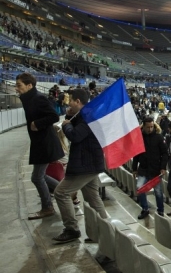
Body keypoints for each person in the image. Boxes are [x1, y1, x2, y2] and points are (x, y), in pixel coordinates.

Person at [53, 89, 108, 242]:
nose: (68, 103)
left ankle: (71, 229)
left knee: (61, 193)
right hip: (89, 163)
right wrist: (70, 117)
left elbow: (75, 135)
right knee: (93, 198)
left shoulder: (89, 116)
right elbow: (76, 128)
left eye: (70, 100)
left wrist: (65, 125)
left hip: (86, 164)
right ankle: (105, 233)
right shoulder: (85, 114)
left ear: (77, 101)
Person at [16, 72, 64, 220]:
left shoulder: (38, 98)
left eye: (19, 85)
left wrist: (37, 124)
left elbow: (54, 116)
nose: (17, 88)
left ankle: (48, 207)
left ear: (29, 85)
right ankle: (64, 191)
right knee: (40, 176)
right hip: (39, 143)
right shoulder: (28, 99)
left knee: (37, 177)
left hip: (45, 143)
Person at [132, 117, 168, 219]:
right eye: (148, 127)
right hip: (143, 169)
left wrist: (163, 167)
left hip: (156, 170)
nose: (150, 129)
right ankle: (145, 209)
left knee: (158, 192)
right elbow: (136, 154)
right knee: (140, 189)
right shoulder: (139, 138)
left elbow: (165, 154)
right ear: (143, 126)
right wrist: (134, 168)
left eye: (152, 127)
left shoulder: (159, 137)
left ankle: (160, 211)